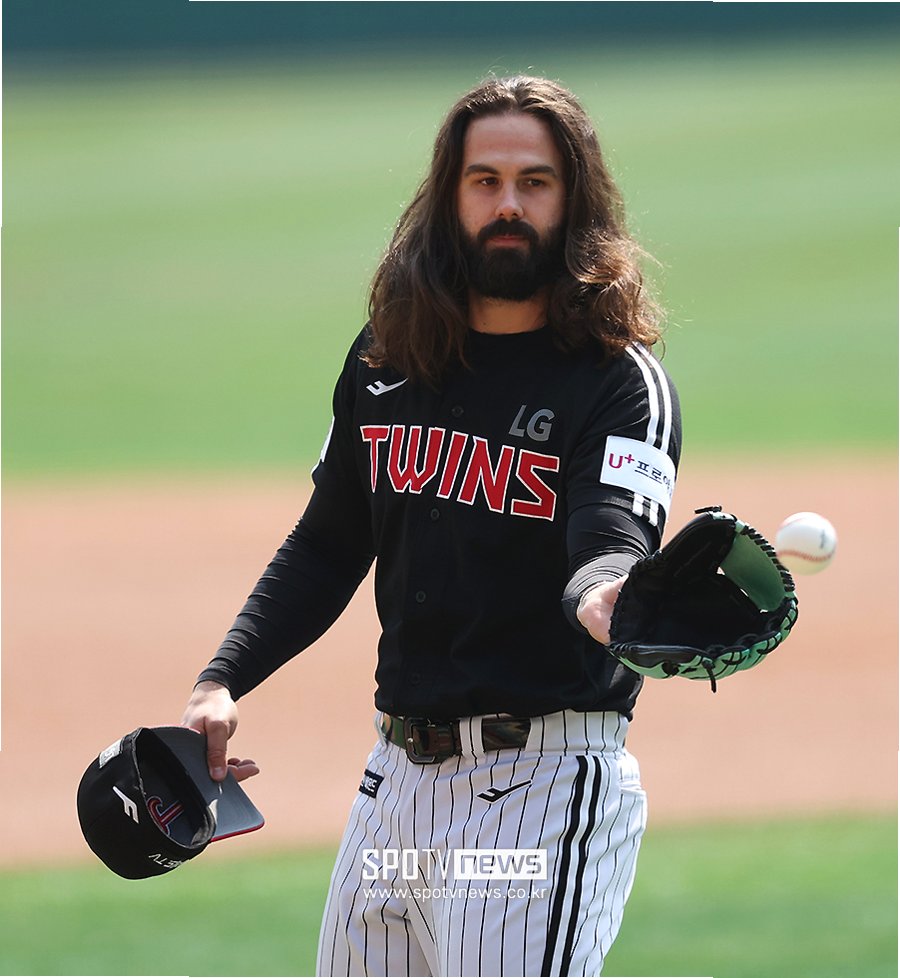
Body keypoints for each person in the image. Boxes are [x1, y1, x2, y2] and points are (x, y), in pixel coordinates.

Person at [182, 75, 681, 978]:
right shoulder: (389, 357)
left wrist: (606, 594)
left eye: (534, 182)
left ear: (574, 203)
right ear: (450, 197)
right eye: (484, 180)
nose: (507, 204)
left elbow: (609, 536)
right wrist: (224, 676)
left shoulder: (616, 381)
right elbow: (330, 538)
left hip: (535, 791)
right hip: (395, 792)